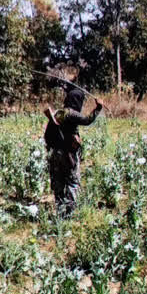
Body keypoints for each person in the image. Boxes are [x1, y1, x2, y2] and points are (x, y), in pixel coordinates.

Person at [44, 88, 103, 217]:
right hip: (68, 154)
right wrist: (98, 107)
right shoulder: (71, 113)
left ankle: (60, 210)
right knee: (72, 181)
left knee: (58, 181)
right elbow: (87, 120)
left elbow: (47, 135)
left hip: (55, 154)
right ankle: (70, 212)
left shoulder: (58, 113)